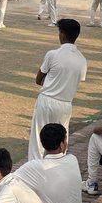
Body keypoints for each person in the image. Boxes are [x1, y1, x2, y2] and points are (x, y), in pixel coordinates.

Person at [28, 19, 87, 161]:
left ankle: (35, 171)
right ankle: (58, 169)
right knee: (61, 141)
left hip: (47, 100)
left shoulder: (53, 54)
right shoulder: (82, 60)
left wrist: (50, 82)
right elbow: (75, 81)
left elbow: (38, 79)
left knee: (37, 139)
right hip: (65, 104)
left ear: (62, 34)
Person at [11, 124, 84, 203]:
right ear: (61, 145)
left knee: (10, 194)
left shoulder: (35, 166)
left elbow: (5, 183)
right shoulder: (72, 159)